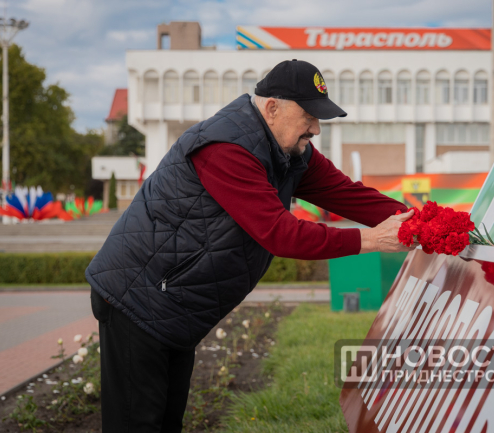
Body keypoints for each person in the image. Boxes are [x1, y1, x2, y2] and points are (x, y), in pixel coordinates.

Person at [86, 59, 414, 432]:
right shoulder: (225, 147)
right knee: (138, 425)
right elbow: (279, 232)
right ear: (272, 108)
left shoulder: (288, 151)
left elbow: (347, 194)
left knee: (165, 423)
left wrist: (424, 224)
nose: (316, 129)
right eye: (309, 116)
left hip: (172, 304)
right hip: (137, 298)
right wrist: (372, 239)